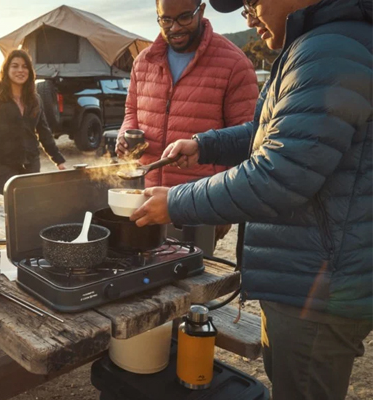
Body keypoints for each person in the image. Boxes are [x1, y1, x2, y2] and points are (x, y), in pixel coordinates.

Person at [131, 0, 372, 398]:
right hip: (304, 272)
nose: (248, 14)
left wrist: (174, 201)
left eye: (251, 1)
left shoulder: (330, 48)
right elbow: (272, 134)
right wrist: (205, 145)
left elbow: (279, 175)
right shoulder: (316, 44)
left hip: (317, 283)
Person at [116, 0, 259, 244]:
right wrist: (125, 133)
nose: (174, 28)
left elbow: (248, 142)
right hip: (147, 200)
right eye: (166, 20)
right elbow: (131, 111)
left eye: (184, 18)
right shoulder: (143, 61)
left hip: (199, 206)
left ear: (201, 11)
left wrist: (224, 208)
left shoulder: (234, 64)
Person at [0, 49, 67, 195]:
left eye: (25, 66)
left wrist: (59, 160)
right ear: (6, 69)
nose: (20, 70)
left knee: (31, 203)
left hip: (31, 162)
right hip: (3, 163)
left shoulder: (35, 99)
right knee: (10, 205)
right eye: (15, 66)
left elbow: (44, 132)